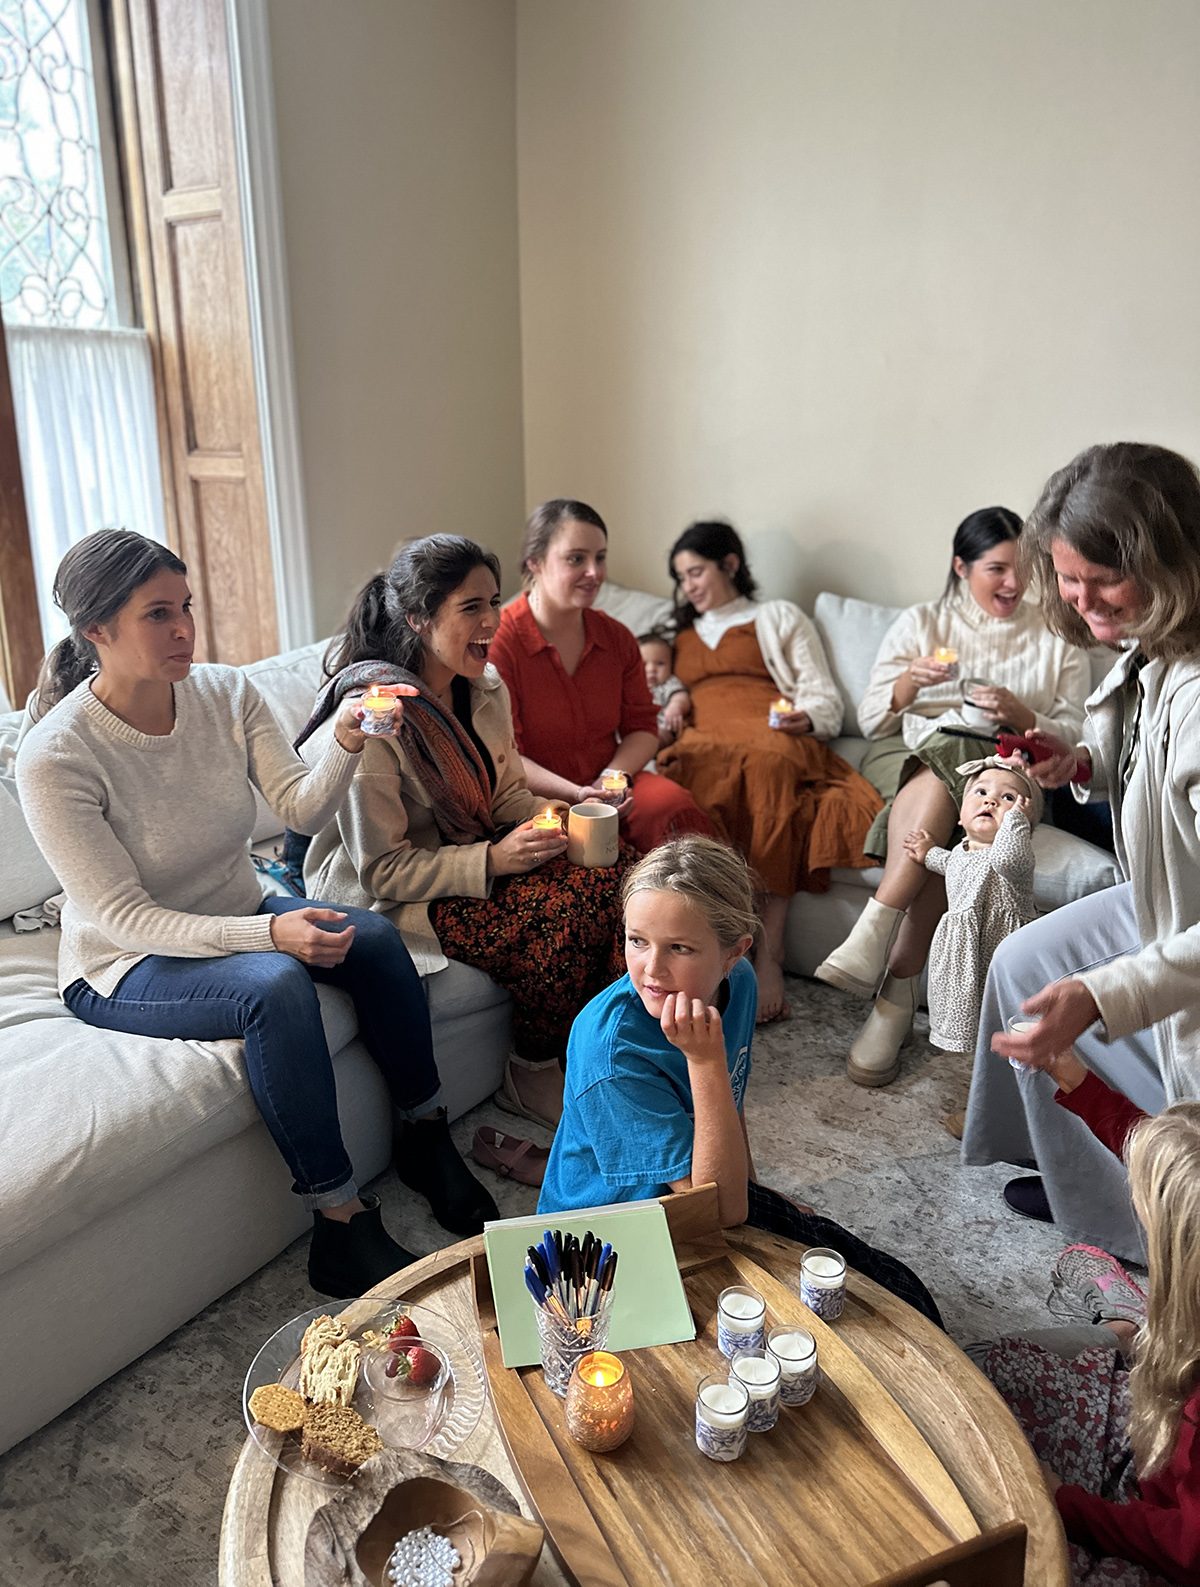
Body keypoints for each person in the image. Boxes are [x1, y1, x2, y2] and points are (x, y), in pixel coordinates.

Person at [14, 530, 496, 1301]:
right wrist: (268, 931)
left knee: (373, 937)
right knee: (273, 987)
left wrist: (343, 734)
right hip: (122, 961)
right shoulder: (54, 756)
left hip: (234, 904)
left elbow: (299, 803)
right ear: (96, 631)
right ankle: (339, 1224)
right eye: (157, 615)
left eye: (187, 608)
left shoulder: (224, 693)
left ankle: (425, 1133)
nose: (183, 630)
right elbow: (124, 916)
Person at [300, 534, 632, 1134]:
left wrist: (564, 815)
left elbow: (504, 796)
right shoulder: (378, 718)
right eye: (471, 607)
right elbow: (383, 870)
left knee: (623, 872)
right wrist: (497, 859)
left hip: (472, 851)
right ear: (419, 620)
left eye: (494, 602)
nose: (491, 621)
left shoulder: (483, 688)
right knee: (568, 910)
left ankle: (611, 1056)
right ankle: (529, 1070)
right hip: (397, 894)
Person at [538, 836, 944, 1327]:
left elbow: (729, 1100)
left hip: (699, 1193)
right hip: (606, 1244)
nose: (650, 968)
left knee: (904, 1293)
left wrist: (755, 1189)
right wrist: (704, 1062)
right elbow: (719, 1209)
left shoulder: (741, 983)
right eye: (636, 940)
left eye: (679, 948)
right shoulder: (612, 1051)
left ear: (734, 955)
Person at [964, 443, 1200, 1252]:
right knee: (1022, 962)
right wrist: (1082, 765)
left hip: (1188, 921)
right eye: (1069, 576)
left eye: (1104, 579)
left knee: (1076, 993)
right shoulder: (1156, 645)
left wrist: (1107, 995)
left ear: (1172, 561)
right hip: (1169, 894)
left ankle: (1152, 1232)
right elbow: (1156, 771)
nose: (1081, 598)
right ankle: (1076, 1176)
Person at [814, 506, 1091, 1086]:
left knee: (970, 801)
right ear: (961, 567)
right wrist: (909, 683)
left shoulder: (1058, 632)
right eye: (996, 569)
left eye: (1023, 570)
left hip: (1010, 766)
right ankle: (891, 992)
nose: (1014, 584)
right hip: (913, 754)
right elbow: (868, 719)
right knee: (948, 769)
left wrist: (1024, 714)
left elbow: (1077, 738)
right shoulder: (923, 622)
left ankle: (883, 960)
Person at [655, 520, 883, 1024]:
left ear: (730, 564)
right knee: (682, 780)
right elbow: (654, 690)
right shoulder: (678, 636)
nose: (688, 586)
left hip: (770, 735)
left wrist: (806, 717)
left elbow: (821, 693)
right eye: (681, 578)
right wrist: (672, 699)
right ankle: (701, 954)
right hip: (702, 740)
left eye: (696, 572)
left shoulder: (776, 616)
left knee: (767, 769)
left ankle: (768, 955)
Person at [973, 1101, 1200, 1587]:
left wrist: (1064, 1505)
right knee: (989, 1372)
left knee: (1017, 1560)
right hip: (1158, 1455)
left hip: (1175, 1546)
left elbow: (1189, 1550)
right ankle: (1132, 1327)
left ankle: (1130, 1325)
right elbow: (1167, 1152)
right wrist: (1073, 1078)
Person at [488, 498, 711, 855]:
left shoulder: (618, 637)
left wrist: (609, 780)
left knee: (675, 808)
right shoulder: (501, 642)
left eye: (601, 557)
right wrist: (578, 795)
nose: (595, 572)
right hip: (535, 799)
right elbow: (505, 756)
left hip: (611, 785)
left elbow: (642, 727)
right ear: (536, 563)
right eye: (576, 558)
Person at [904, 759, 1040, 1086]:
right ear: (961, 813)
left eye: (1008, 798)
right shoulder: (962, 851)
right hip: (964, 955)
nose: (991, 801)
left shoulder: (1014, 859)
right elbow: (950, 863)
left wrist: (1015, 823)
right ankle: (983, 1091)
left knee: (1002, 1026)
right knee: (979, 1035)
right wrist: (927, 853)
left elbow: (1008, 858)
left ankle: (1001, 1098)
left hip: (999, 954)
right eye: (980, 792)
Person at [637, 630, 691, 745]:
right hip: (630, 730)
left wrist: (676, 706)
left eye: (660, 663)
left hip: (659, 729)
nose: (651, 669)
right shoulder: (629, 686)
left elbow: (680, 696)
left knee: (655, 738)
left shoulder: (668, 684)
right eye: (644, 664)